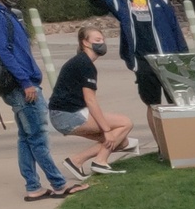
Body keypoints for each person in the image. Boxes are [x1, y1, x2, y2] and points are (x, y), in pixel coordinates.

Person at [0, 0, 83, 201]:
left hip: (23, 83)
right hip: (22, 86)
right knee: (39, 137)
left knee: (26, 138)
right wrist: (25, 82)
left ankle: (33, 187)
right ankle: (59, 184)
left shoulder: (7, 15)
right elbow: (4, 52)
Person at [89, 0, 188, 145]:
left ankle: (182, 144)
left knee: (179, 102)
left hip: (168, 55)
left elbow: (173, 25)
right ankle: (163, 146)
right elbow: (101, 2)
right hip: (142, 58)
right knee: (153, 104)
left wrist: (183, 55)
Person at [49, 24, 135, 176]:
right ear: (85, 42)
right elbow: (91, 101)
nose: (101, 43)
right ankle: (100, 162)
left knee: (122, 141)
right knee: (125, 123)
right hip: (68, 115)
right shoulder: (84, 65)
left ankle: (75, 161)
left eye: (102, 39)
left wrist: (108, 133)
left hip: (63, 114)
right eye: (97, 39)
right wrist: (107, 130)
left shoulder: (82, 62)